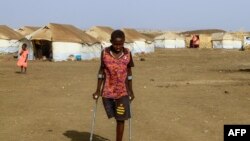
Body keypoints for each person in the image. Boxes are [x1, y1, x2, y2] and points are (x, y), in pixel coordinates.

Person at [92, 30, 135, 141]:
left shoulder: (127, 53)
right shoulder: (105, 53)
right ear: (111, 41)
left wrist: (131, 90)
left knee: (121, 119)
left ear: (124, 42)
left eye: (120, 44)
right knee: (113, 115)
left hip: (123, 92)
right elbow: (101, 71)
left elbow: (129, 73)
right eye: (115, 44)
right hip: (107, 92)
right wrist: (97, 90)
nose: (118, 46)